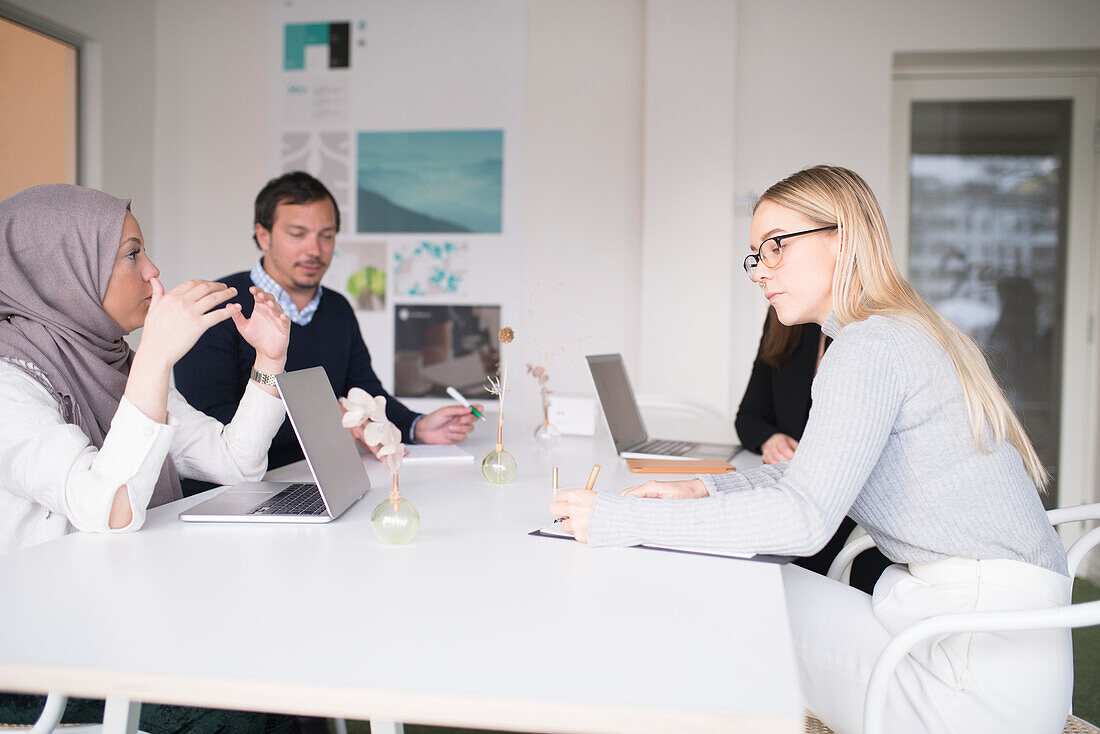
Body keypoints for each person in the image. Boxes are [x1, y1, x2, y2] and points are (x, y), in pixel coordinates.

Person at [552, 166, 1070, 733]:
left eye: (775, 247)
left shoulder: (868, 347)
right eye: (755, 254)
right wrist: (701, 486)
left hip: (971, 682)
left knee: (726, 588)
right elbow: (813, 475)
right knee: (740, 581)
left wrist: (622, 518)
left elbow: (803, 520)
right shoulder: (897, 331)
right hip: (998, 648)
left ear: (841, 237)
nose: (760, 270)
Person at [0, 184, 296, 732]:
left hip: (126, 618)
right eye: (132, 254)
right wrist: (157, 357)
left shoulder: (115, 363)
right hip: (41, 658)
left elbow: (235, 462)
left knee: (282, 656)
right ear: (63, 273)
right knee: (251, 698)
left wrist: (268, 360)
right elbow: (109, 508)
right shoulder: (9, 383)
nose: (153, 269)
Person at [175, 172, 478, 493]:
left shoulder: (337, 309)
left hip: (319, 482)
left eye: (327, 235)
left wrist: (417, 426)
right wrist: (326, 419)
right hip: (228, 494)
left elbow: (365, 393)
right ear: (263, 236)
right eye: (297, 234)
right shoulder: (220, 307)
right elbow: (210, 425)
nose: (315, 250)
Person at [736, 307, 891, 594]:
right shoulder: (785, 320)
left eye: (775, 258)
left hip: (848, 521)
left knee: (752, 569)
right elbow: (748, 416)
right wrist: (771, 439)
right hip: (801, 503)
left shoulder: (869, 335)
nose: (760, 274)